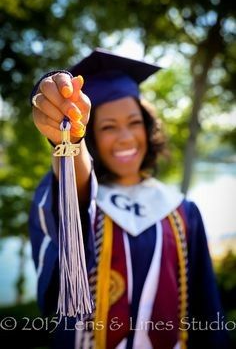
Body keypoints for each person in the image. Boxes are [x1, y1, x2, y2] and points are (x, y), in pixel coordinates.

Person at [29, 48, 228, 349]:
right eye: (108, 126)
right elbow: (76, 189)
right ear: (92, 136)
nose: (125, 137)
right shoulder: (79, 197)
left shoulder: (182, 210)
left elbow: (207, 309)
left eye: (134, 122)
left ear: (148, 128)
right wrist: (67, 139)